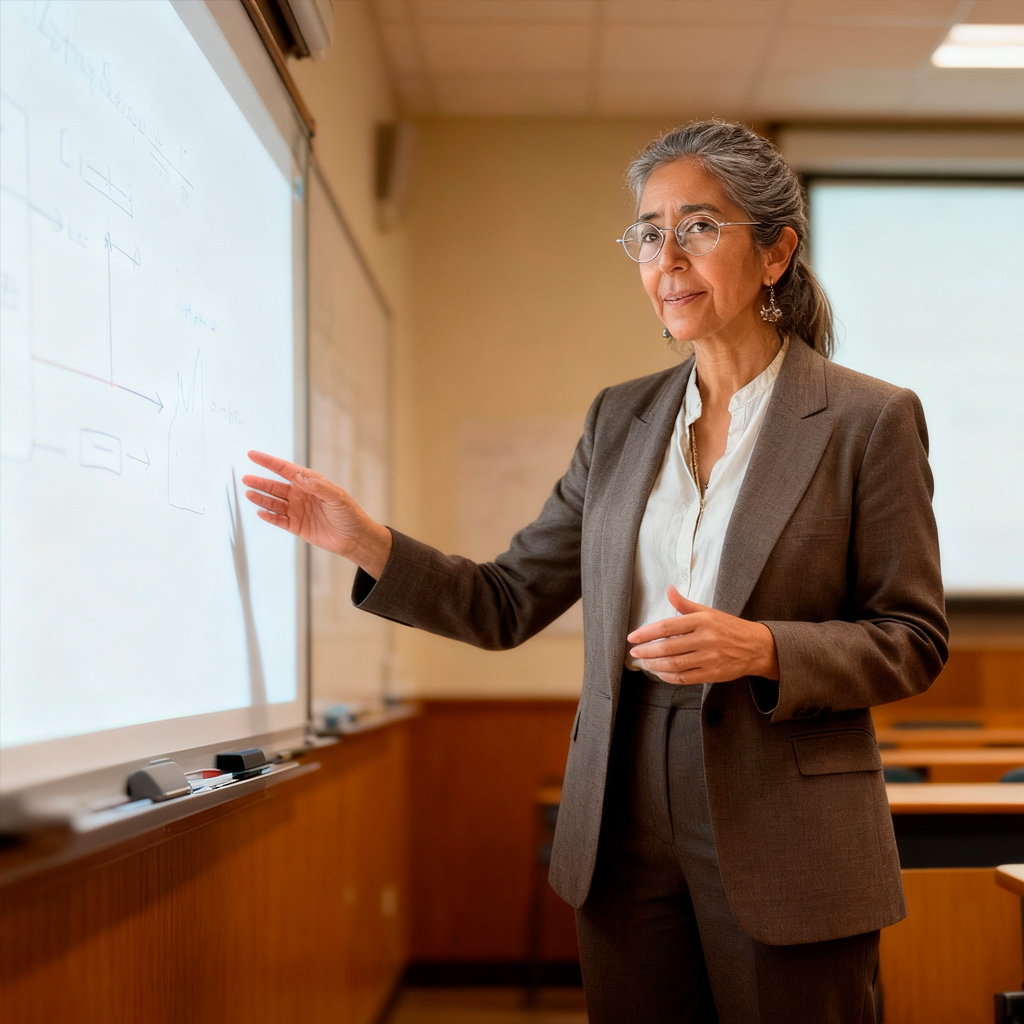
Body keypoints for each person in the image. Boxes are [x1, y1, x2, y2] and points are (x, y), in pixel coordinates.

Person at [243, 120, 947, 1024]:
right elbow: (505, 602)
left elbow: (914, 639)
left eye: (698, 227)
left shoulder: (868, 419)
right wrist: (366, 542)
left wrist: (764, 648)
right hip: (620, 811)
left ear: (776, 253)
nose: (667, 257)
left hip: (784, 813)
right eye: (650, 232)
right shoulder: (620, 420)